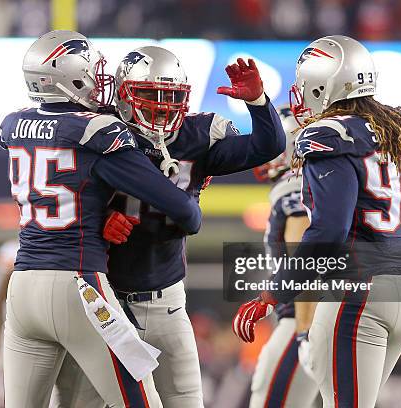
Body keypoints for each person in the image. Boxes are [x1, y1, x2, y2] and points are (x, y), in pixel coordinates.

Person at [232, 35, 401, 408]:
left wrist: (271, 293)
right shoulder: (400, 127)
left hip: (356, 294)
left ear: (321, 83)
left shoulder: (326, 135)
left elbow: (327, 233)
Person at [0, 31, 202, 408]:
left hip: (23, 288)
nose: (101, 81)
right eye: (93, 72)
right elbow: (183, 211)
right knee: (143, 402)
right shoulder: (98, 132)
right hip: (79, 285)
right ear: (72, 78)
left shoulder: (14, 125)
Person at [102, 46, 286, 408]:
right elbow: (68, 197)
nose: (161, 106)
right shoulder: (103, 133)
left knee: (186, 401)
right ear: (124, 94)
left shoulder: (197, 136)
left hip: (167, 299)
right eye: (150, 95)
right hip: (107, 299)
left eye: (170, 97)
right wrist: (97, 218)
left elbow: (268, 145)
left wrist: (259, 104)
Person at [246, 106, 319, 408]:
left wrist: (303, 330)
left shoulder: (296, 189)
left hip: (305, 320)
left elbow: (306, 262)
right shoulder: (322, 184)